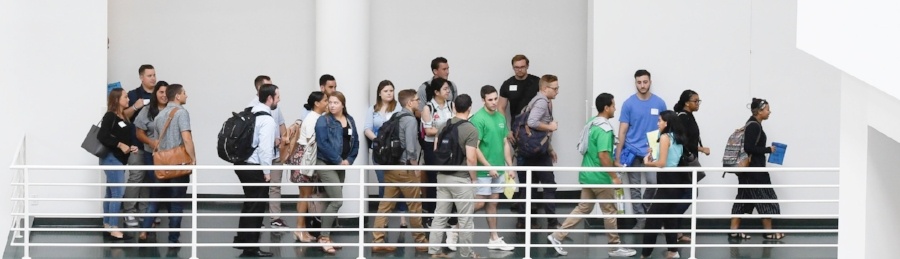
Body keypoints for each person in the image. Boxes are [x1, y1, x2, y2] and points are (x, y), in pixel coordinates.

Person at [548, 93, 637, 257]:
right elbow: (603, 155)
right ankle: (614, 246)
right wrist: (614, 177)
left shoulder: (591, 124)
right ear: (606, 108)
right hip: (600, 178)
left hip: (587, 174)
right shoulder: (605, 129)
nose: (615, 108)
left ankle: (556, 236)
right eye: (613, 105)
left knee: (583, 208)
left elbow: (594, 151)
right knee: (610, 211)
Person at [372, 89, 429, 253]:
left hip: (391, 168)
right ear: (410, 102)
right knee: (415, 206)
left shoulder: (395, 116)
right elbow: (411, 147)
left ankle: (377, 240)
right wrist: (415, 167)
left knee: (385, 206)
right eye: (417, 100)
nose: (419, 102)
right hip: (405, 169)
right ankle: (420, 241)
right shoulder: (410, 120)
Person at [428, 94, 479, 259]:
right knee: (465, 220)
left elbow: (436, 150)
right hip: (460, 179)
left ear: (454, 107)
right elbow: (471, 159)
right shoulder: (470, 129)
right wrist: (474, 179)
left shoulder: (443, 126)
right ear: (470, 108)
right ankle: (466, 254)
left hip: (442, 177)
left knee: (440, 216)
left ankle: (435, 252)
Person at [615, 69, 667, 229]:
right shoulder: (629, 103)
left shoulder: (659, 103)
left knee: (653, 183)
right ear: (635, 83)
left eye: (645, 82)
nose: (642, 85)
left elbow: (665, 128)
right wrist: (617, 157)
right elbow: (622, 131)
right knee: (634, 188)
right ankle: (641, 221)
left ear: (650, 82)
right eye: (639, 82)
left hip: (652, 152)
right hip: (632, 151)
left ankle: (645, 210)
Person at [232, 84, 279, 257]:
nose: (279, 100)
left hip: (242, 164)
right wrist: (267, 172)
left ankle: (245, 243)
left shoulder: (250, 112)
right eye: (277, 97)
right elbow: (265, 149)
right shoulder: (267, 119)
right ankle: (250, 247)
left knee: (250, 204)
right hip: (255, 167)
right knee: (256, 206)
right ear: (270, 98)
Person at [729, 98, 783, 240]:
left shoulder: (752, 124)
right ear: (759, 111)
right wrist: (768, 149)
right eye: (767, 109)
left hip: (748, 172)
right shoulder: (754, 126)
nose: (769, 112)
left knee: (743, 199)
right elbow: (749, 147)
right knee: (766, 197)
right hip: (755, 171)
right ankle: (768, 232)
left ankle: (734, 230)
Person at [469, 85, 514, 251]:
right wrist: (488, 167)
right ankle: (455, 226)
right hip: (483, 171)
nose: (494, 102)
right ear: (483, 100)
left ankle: (494, 238)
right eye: (490, 100)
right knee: (480, 203)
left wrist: (510, 166)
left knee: (493, 203)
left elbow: (504, 143)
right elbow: (475, 147)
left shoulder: (501, 118)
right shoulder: (478, 119)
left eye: (496, 99)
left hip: (499, 170)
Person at [150, 83, 196, 243]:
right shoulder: (182, 113)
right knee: (176, 203)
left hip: (162, 165)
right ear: (177, 96)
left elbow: (157, 142)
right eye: (184, 93)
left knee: (156, 200)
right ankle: (173, 238)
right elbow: (187, 138)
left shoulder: (159, 116)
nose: (186, 95)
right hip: (178, 164)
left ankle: (144, 231)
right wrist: (193, 159)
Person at [314, 91, 359, 254]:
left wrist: (349, 160)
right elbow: (323, 144)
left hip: (342, 164)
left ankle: (324, 236)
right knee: (337, 201)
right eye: (330, 102)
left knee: (330, 200)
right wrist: (339, 160)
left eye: (335, 102)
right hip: (326, 163)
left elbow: (355, 142)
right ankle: (324, 238)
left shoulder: (350, 120)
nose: (332, 105)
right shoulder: (323, 120)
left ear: (343, 104)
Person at [640, 110, 689, 259]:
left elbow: (661, 163)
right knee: (670, 218)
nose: (658, 123)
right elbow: (670, 160)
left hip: (667, 182)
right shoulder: (677, 138)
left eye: (659, 120)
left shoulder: (665, 137)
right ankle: (673, 251)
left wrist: (647, 163)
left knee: (652, 219)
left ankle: (645, 255)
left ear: (666, 123)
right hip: (676, 181)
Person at [498, 55, 541, 224]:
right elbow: (501, 108)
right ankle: (523, 204)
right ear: (513, 67)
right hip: (517, 132)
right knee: (521, 168)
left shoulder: (536, 82)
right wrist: (506, 130)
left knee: (537, 168)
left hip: (536, 132)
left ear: (528, 66)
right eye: (516, 67)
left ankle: (533, 203)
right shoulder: (507, 84)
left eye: (522, 66)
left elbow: (546, 104)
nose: (520, 70)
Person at [247, 76, 292, 229]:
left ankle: (275, 218)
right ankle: (256, 223)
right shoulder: (252, 108)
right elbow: (258, 139)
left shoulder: (274, 106)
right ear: (261, 90)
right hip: (261, 156)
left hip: (276, 154)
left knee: (275, 186)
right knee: (259, 190)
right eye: (269, 86)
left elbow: (281, 123)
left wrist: (285, 143)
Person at [421, 77, 459, 249]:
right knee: (433, 181)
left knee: (450, 179)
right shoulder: (428, 108)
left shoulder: (452, 105)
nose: (448, 91)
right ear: (436, 92)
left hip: (449, 147)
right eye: (444, 89)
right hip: (432, 148)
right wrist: (446, 129)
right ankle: (430, 215)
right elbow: (428, 130)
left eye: (448, 89)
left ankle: (451, 217)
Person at [364, 80, 407, 228]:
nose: (389, 93)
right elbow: (367, 128)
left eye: (391, 90)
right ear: (379, 93)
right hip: (380, 152)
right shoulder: (373, 109)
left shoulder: (398, 108)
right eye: (386, 91)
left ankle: (402, 217)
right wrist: (378, 140)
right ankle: (384, 218)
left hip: (395, 152)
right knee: (383, 183)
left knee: (398, 184)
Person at [97, 88, 139, 240]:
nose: (128, 99)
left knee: (111, 193)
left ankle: (107, 225)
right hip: (111, 159)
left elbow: (121, 136)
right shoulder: (110, 116)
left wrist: (129, 147)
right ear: (117, 99)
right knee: (117, 193)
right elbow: (102, 135)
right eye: (126, 97)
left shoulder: (122, 116)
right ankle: (114, 228)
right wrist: (120, 144)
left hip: (118, 159)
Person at [523, 74, 561, 229]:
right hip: (538, 151)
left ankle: (525, 222)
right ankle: (552, 223)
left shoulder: (538, 100)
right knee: (549, 186)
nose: (558, 91)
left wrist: (550, 148)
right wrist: (550, 127)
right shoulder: (541, 102)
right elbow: (532, 122)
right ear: (545, 89)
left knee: (530, 186)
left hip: (533, 149)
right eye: (555, 88)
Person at [122, 64, 158, 227]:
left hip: (154, 146)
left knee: (150, 178)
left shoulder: (159, 94)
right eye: (149, 75)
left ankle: (146, 212)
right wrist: (136, 105)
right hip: (136, 144)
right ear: (141, 77)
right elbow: (123, 115)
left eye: (154, 75)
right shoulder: (133, 94)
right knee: (136, 176)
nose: (153, 78)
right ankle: (128, 211)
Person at [289, 91, 327, 243]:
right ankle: (299, 230)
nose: (327, 103)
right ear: (317, 103)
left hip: (302, 159)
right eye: (325, 100)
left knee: (303, 195)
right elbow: (313, 143)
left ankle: (302, 230)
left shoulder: (314, 117)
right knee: (305, 195)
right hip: (305, 161)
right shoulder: (313, 119)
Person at [672, 89, 710, 243]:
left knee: (686, 195)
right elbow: (683, 142)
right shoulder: (683, 117)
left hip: (686, 163)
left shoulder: (689, 116)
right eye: (695, 101)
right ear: (687, 102)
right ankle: (671, 223)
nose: (698, 103)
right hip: (683, 165)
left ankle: (677, 233)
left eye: (698, 101)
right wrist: (700, 149)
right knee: (689, 195)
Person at [133, 81, 168, 240]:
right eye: (160, 92)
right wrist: (150, 142)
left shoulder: (174, 110)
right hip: (151, 154)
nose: (164, 95)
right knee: (155, 185)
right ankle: (148, 223)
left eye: (166, 92)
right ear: (155, 94)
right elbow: (139, 132)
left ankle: (152, 220)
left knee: (166, 189)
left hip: (170, 156)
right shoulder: (147, 110)